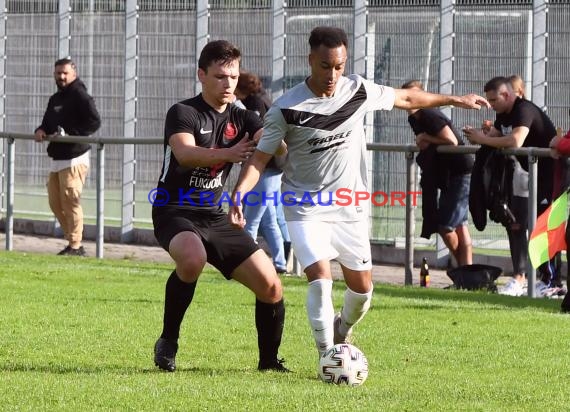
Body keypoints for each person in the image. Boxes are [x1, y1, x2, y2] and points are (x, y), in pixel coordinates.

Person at [229, 26, 489, 359]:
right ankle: (327, 356)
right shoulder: (285, 108)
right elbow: (260, 159)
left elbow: (406, 98)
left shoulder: (357, 90)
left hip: (349, 207)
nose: (333, 74)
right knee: (320, 279)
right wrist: (238, 194)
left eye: (339, 66)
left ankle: (342, 330)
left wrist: (455, 99)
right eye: (325, 66)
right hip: (305, 206)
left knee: (363, 291)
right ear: (311, 60)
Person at [151, 40, 288, 373]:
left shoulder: (244, 117)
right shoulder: (183, 112)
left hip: (214, 214)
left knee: (271, 286)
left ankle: (268, 363)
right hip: (174, 210)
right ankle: (168, 341)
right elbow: (185, 153)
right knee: (192, 259)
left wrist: (272, 132)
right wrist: (228, 153)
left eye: (233, 76)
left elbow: (278, 150)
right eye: (220, 76)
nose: (228, 84)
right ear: (202, 75)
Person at [464, 76, 556, 297]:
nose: (491, 105)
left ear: (506, 95)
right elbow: (501, 135)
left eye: (494, 100)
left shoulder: (524, 109)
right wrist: (487, 134)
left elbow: (515, 140)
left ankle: (551, 281)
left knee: (545, 227)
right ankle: (523, 277)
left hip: (550, 176)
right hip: (526, 174)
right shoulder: (503, 112)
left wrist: (483, 139)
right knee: (517, 224)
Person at [401, 80, 474, 267]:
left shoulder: (429, 113)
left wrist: (426, 138)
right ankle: (466, 274)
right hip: (450, 173)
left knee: (446, 226)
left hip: (461, 171)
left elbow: (451, 141)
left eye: (415, 95)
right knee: (459, 225)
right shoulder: (414, 117)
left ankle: (464, 270)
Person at [34, 58, 101, 256]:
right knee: (55, 203)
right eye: (58, 73)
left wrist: (70, 134)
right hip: (57, 157)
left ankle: (75, 245)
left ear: (74, 74)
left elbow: (94, 121)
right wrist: (40, 130)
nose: (61, 77)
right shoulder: (55, 99)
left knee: (70, 201)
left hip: (75, 157)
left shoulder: (80, 95)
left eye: (65, 73)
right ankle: (72, 240)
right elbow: (47, 123)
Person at [234, 71, 288, 274]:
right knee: (269, 218)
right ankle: (281, 263)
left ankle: (245, 263)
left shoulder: (255, 105)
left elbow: (259, 136)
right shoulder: (263, 100)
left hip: (266, 168)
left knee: (251, 220)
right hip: (273, 168)